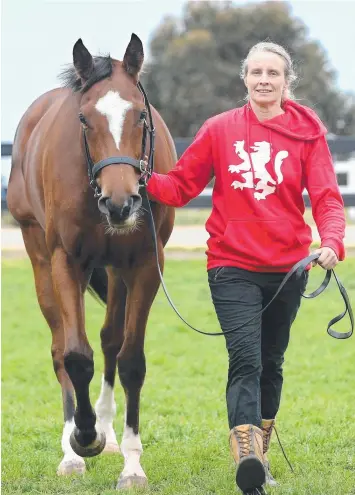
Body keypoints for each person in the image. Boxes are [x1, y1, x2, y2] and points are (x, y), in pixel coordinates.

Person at [146, 41, 345, 494]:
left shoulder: (307, 134)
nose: (263, 80)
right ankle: (248, 460)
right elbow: (180, 186)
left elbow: (328, 198)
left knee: (272, 363)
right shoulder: (219, 130)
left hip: (290, 267)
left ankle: (261, 453)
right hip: (231, 264)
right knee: (246, 359)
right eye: (256, 72)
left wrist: (332, 240)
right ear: (244, 79)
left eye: (272, 73)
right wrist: (140, 178)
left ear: (285, 80)